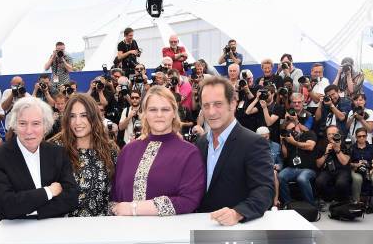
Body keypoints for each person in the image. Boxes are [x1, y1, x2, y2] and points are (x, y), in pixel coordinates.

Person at [111, 86, 205, 216]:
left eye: (165, 109)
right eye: (153, 109)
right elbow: (114, 198)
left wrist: (135, 208)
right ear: (145, 113)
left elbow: (190, 199)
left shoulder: (189, 153)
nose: (159, 115)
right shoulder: (128, 151)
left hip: (167, 233)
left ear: (174, 113)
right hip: (127, 232)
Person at [196, 77, 274, 224]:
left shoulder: (254, 143)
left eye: (218, 104)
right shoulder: (201, 142)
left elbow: (264, 190)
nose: (211, 112)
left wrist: (237, 213)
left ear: (232, 103)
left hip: (235, 233)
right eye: (206, 106)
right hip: (201, 225)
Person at [0, 97, 78, 219]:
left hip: (54, 227)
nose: (29, 131)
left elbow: (70, 199)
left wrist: (31, 210)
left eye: (36, 123)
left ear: (45, 127)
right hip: (16, 231)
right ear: (14, 126)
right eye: (22, 123)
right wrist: (49, 191)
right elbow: (7, 206)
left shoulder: (58, 153)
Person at [50, 94, 119, 217]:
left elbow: (117, 189)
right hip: (63, 227)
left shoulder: (109, 148)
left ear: (94, 117)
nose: (77, 122)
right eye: (72, 116)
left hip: (101, 227)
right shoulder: (55, 148)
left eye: (83, 115)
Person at [278, 118, 318, 207]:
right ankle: (288, 203)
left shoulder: (309, 134)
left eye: (293, 128)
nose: (293, 131)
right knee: (280, 176)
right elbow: (285, 155)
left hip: (308, 169)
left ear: (298, 126)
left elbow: (310, 146)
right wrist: (283, 142)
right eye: (290, 130)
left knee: (302, 178)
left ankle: (311, 205)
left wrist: (294, 142)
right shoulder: (289, 139)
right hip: (292, 168)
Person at [349, 127, 373, 208]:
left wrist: (370, 172)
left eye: (364, 136)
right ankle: (356, 202)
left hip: (370, 169)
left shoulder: (371, 147)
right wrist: (356, 165)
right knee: (357, 179)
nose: (362, 138)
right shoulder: (352, 148)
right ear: (356, 137)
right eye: (359, 136)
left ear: (366, 136)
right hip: (356, 169)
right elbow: (348, 163)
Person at [315, 125, 351, 203]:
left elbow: (344, 162)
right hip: (327, 170)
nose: (331, 136)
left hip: (342, 170)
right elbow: (318, 164)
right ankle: (329, 199)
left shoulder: (345, 143)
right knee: (319, 181)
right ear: (326, 135)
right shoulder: (322, 144)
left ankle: (341, 201)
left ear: (338, 134)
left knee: (341, 182)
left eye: (333, 134)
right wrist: (326, 153)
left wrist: (337, 150)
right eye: (329, 134)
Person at [257, 127, 282, 208]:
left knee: (274, 173)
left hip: (272, 169)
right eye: (262, 137)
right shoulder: (252, 146)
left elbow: (280, 162)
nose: (264, 139)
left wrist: (279, 166)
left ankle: (275, 200)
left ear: (269, 135)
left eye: (266, 137)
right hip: (258, 169)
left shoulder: (276, 146)